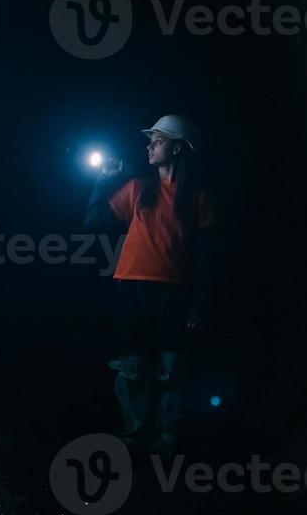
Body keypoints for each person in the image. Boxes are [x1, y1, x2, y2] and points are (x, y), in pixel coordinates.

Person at [84, 115, 217, 450]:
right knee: (134, 364)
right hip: (131, 286)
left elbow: (206, 256)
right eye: (151, 140)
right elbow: (94, 221)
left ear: (178, 148)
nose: (150, 146)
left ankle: (169, 435)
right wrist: (103, 182)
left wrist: (199, 302)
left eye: (157, 141)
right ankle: (137, 431)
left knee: (171, 366)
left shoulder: (197, 198)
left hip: (175, 290)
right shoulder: (138, 188)